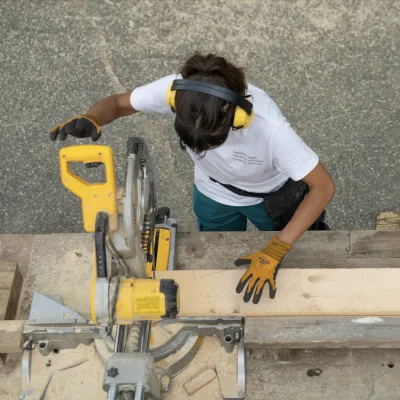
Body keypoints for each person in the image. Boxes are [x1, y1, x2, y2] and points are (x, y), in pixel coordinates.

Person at [50, 53, 336, 304]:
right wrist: (94, 117)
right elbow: (118, 103)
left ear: (236, 117)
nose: (204, 151)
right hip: (212, 192)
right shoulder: (178, 92)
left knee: (299, 258)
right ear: (176, 103)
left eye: (213, 142)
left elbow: (322, 188)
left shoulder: (270, 129)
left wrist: (277, 247)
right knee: (216, 254)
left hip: (271, 198)